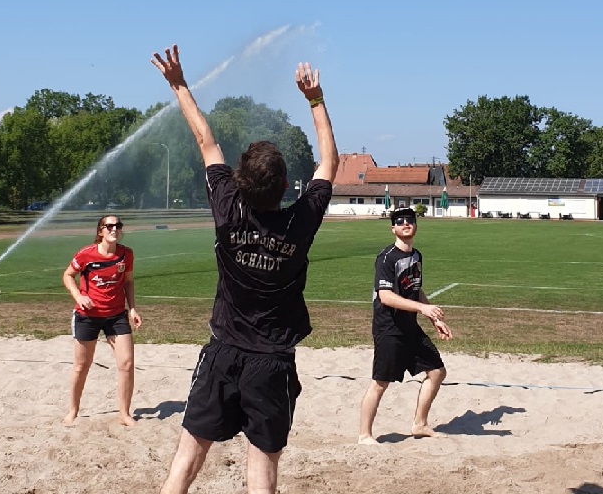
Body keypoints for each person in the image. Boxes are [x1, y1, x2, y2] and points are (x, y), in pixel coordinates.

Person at [151, 45, 338, 494]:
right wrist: (315, 99)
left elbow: (205, 140)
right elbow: (330, 162)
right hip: (271, 362)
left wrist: (178, 84)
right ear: (285, 185)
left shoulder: (227, 207)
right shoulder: (299, 222)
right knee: (262, 469)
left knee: (187, 459)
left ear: (240, 182)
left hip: (222, 353)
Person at [358, 206, 453, 445]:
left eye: (410, 220)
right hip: (388, 328)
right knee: (381, 382)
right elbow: (385, 296)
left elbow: (415, 289)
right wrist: (422, 309)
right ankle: (364, 435)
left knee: (437, 371)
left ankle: (419, 424)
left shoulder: (416, 256)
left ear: (416, 226)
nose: (405, 224)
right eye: (400, 221)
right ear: (393, 228)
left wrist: (435, 318)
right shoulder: (387, 258)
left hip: (410, 327)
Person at [62, 215, 142, 427]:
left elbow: (128, 282)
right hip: (87, 317)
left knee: (126, 364)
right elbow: (68, 276)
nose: (114, 229)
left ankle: (124, 414)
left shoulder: (126, 254)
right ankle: (73, 411)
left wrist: (133, 308)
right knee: (82, 366)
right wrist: (79, 296)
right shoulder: (86, 254)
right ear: (100, 231)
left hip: (116, 316)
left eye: (118, 225)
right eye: (109, 226)